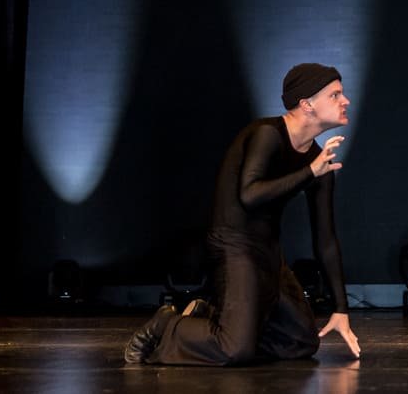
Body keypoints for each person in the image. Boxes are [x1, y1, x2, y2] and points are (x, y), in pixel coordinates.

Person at [124, 63, 361, 365]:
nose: (345, 101)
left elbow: (325, 239)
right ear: (307, 104)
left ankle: (215, 321)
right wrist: (310, 172)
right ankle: (167, 325)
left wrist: (341, 308)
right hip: (234, 245)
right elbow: (250, 195)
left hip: (269, 252)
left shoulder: (318, 160)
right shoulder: (267, 134)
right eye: (335, 94)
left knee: (301, 342)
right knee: (234, 350)